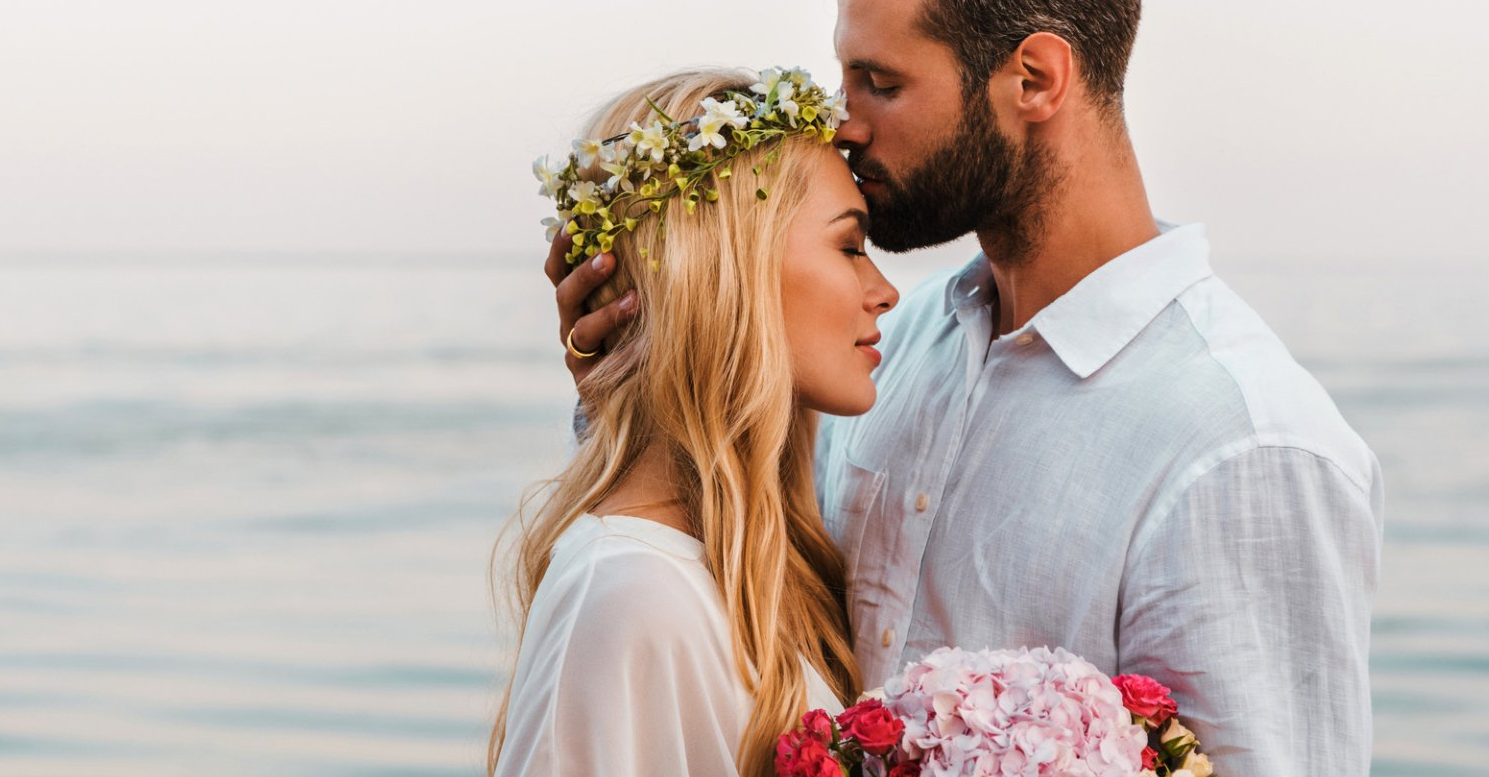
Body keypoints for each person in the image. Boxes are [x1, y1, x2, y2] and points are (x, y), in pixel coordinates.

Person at [547, 1, 1385, 775]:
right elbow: (711, 587)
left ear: (1034, 80)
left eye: (881, 83)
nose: (842, 121)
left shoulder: (1241, 442)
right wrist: (639, 377)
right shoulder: (891, 352)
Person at [491, 68, 899, 776]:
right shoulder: (625, 590)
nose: (885, 292)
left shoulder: (747, 568)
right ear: (725, 268)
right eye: (849, 246)